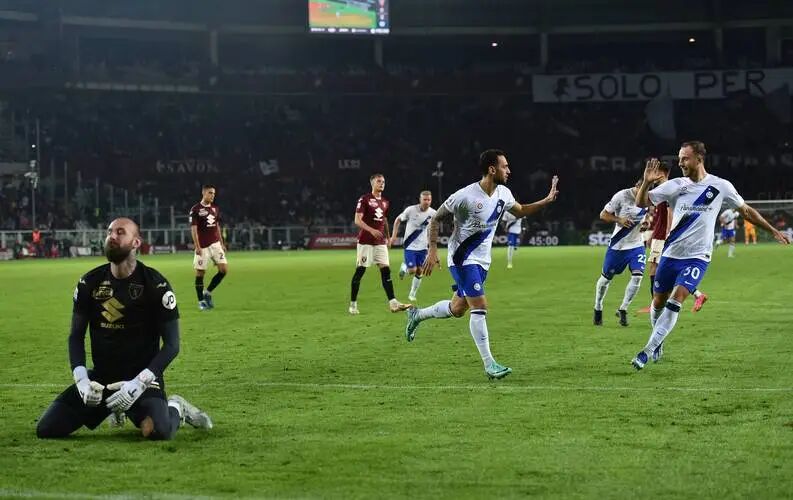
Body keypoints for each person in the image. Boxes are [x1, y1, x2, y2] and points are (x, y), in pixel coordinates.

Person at [36, 217, 212, 440]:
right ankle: (114, 409)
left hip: (142, 381)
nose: (112, 236)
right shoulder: (89, 283)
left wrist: (139, 383)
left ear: (136, 243)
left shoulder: (155, 285)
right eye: (109, 232)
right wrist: (82, 381)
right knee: (47, 429)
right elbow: (75, 336)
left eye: (120, 232)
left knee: (159, 431)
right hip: (101, 380)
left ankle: (177, 406)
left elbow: (172, 345)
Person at [630, 142, 790, 370]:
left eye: (684, 158)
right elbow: (641, 202)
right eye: (679, 159)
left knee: (677, 300)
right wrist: (646, 182)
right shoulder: (676, 185)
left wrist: (772, 230)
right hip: (671, 254)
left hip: (698, 257)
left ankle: (647, 350)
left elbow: (746, 211)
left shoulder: (721, 186)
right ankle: (658, 341)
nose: (680, 163)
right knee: (658, 302)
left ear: (699, 159)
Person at [404, 149, 559, 379]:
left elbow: (521, 211)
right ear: (492, 169)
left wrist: (546, 200)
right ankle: (489, 364)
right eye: (505, 166)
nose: (509, 170)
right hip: (462, 258)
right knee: (480, 307)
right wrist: (433, 249)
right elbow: (436, 219)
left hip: (482, 261)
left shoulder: (504, 193)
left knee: (457, 309)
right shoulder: (465, 196)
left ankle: (417, 315)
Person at [349, 174, 409, 314]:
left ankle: (393, 303)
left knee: (386, 270)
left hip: (380, 242)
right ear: (372, 183)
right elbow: (357, 220)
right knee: (360, 271)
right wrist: (371, 230)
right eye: (379, 181)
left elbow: (384, 220)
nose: (382, 184)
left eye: (383, 182)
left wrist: (388, 237)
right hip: (366, 242)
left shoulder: (385, 202)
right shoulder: (364, 199)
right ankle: (353, 304)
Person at [593, 179, 649, 327]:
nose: (644, 195)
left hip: (637, 244)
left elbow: (646, 216)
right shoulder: (622, 196)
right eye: (642, 190)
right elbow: (603, 215)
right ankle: (598, 306)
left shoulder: (648, 197)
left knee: (637, 276)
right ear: (637, 186)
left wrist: (646, 223)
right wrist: (619, 219)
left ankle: (623, 308)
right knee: (605, 280)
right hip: (618, 245)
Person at [390, 190, 437, 302]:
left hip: (423, 247)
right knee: (412, 270)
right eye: (424, 199)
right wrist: (393, 236)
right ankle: (405, 267)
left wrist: (432, 248)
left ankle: (412, 294)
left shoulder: (433, 213)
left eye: (429, 200)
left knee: (420, 271)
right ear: (420, 200)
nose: (427, 202)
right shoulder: (410, 210)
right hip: (410, 245)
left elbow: (433, 230)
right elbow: (398, 220)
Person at [190, 184, 228, 311]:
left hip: (215, 244)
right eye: (210, 193)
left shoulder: (215, 208)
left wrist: (221, 243)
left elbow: (217, 226)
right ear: (204, 193)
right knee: (200, 273)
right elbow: (194, 229)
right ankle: (201, 301)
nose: (213, 196)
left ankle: (208, 292)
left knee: (223, 270)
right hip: (203, 246)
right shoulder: (195, 209)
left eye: (214, 193)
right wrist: (197, 246)